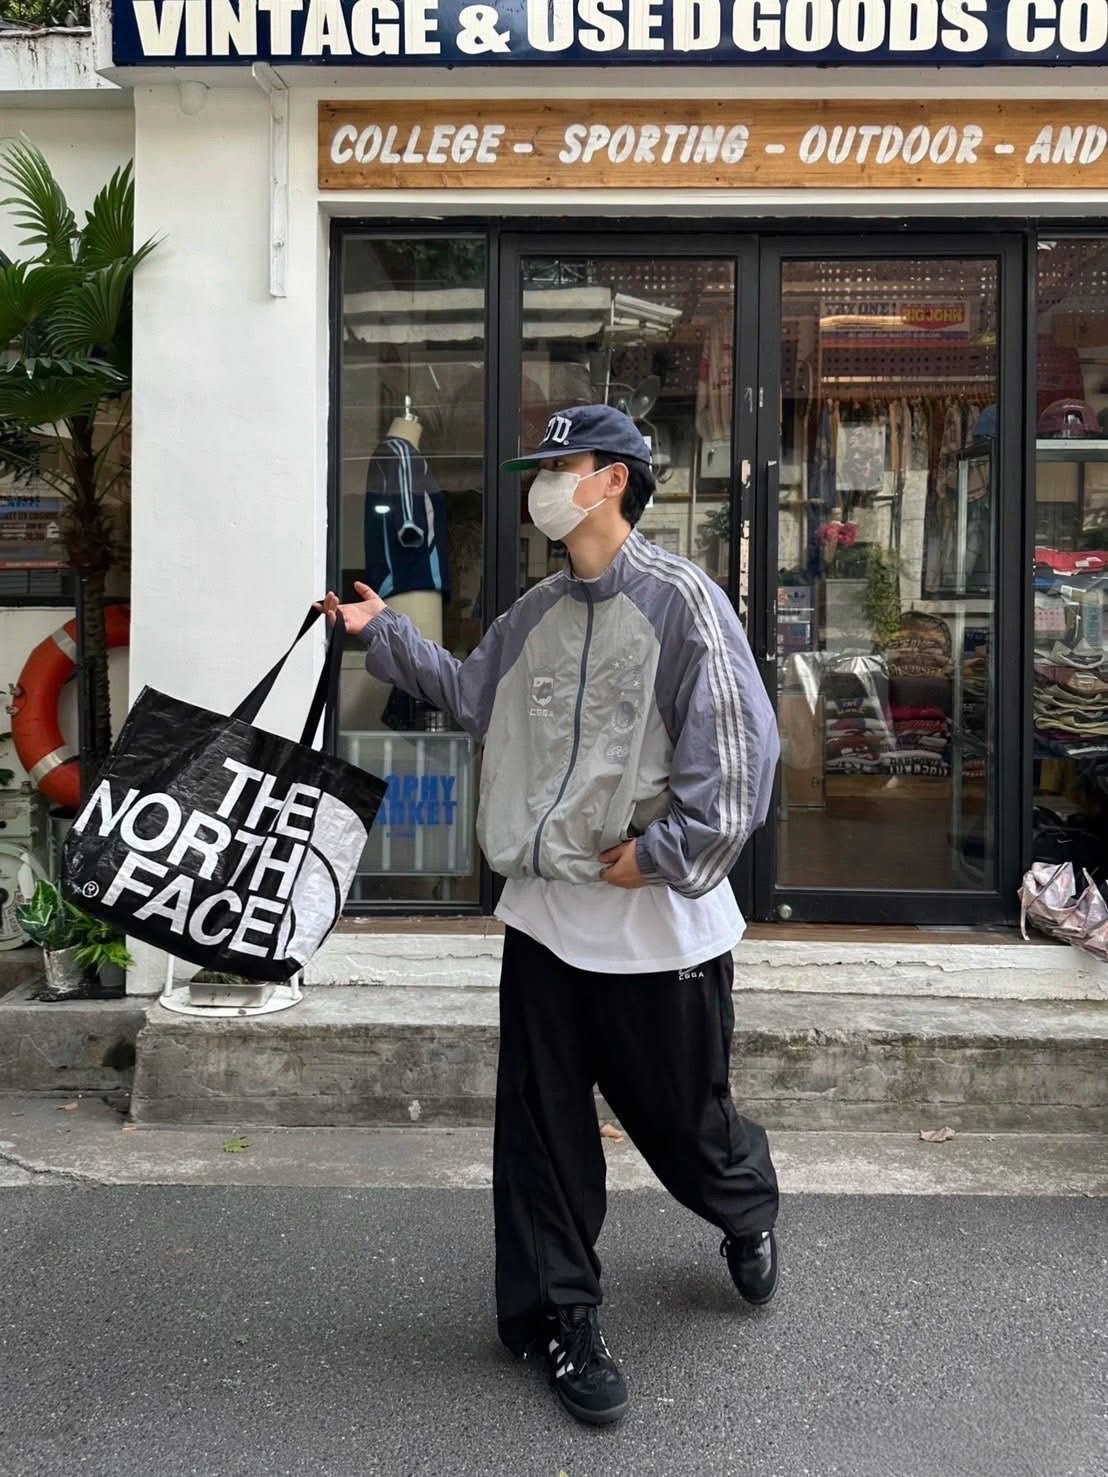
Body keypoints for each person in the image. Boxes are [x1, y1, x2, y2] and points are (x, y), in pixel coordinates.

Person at [321, 405, 781, 1428]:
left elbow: (738, 756)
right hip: (543, 925)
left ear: (614, 479)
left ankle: (744, 1204)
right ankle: (561, 1315)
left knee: (690, 1128)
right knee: (541, 1136)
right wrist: (381, 632)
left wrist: (660, 857)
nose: (543, 483)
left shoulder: (683, 603)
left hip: (656, 931)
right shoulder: (536, 610)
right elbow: (470, 694)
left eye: (561, 464)